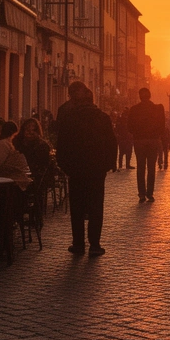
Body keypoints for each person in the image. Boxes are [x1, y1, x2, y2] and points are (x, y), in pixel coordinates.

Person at [54, 81, 117, 255]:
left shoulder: (69, 118)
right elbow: (112, 142)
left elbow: (62, 145)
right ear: (92, 100)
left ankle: (78, 244)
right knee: (97, 206)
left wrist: (65, 165)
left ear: (74, 100)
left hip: (76, 169)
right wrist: (109, 163)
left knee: (77, 207)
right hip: (96, 169)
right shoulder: (103, 117)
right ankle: (95, 245)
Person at [127, 88, 166, 202]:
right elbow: (162, 125)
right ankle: (150, 193)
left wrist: (137, 133)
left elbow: (129, 126)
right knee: (151, 168)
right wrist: (156, 134)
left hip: (139, 140)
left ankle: (142, 194)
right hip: (153, 140)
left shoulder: (134, 109)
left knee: (140, 167)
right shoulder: (157, 109)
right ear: (150, 96)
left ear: (140, 96)